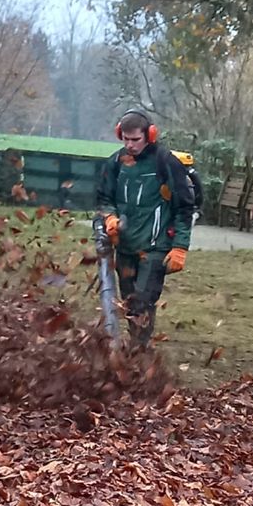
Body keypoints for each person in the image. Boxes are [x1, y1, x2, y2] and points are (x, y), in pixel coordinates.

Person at [94, 109, 194, 347]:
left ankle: (139, 352)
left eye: (135, 139)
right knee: (130, 301)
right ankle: (137, 346)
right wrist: (109, 217)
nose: (130, 145)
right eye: (125, 139)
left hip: (155, 247)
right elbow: (103, 198)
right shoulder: (116, 163)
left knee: (142, 301)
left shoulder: (165, 162)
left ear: (149, 135)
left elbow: (185, 207)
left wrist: (180, 247)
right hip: (126, 247)